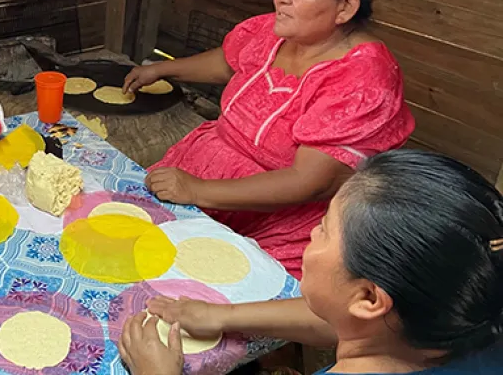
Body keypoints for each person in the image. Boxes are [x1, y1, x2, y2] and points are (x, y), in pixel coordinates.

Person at [123, 0, 414, 277]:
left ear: (345, 8)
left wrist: (198, 190)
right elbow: (228, 62)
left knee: (205, 285)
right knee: (133, 248)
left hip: (281, 220)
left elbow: (310, 182)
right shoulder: (277, 32)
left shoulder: (364, 80)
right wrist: (163, 68)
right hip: (203, 171)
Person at [119, 150, 503, 374]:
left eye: (322, 229)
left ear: (368, 297)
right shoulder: (457, 325)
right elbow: (347, 321)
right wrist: (224, 314)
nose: (311, 237)